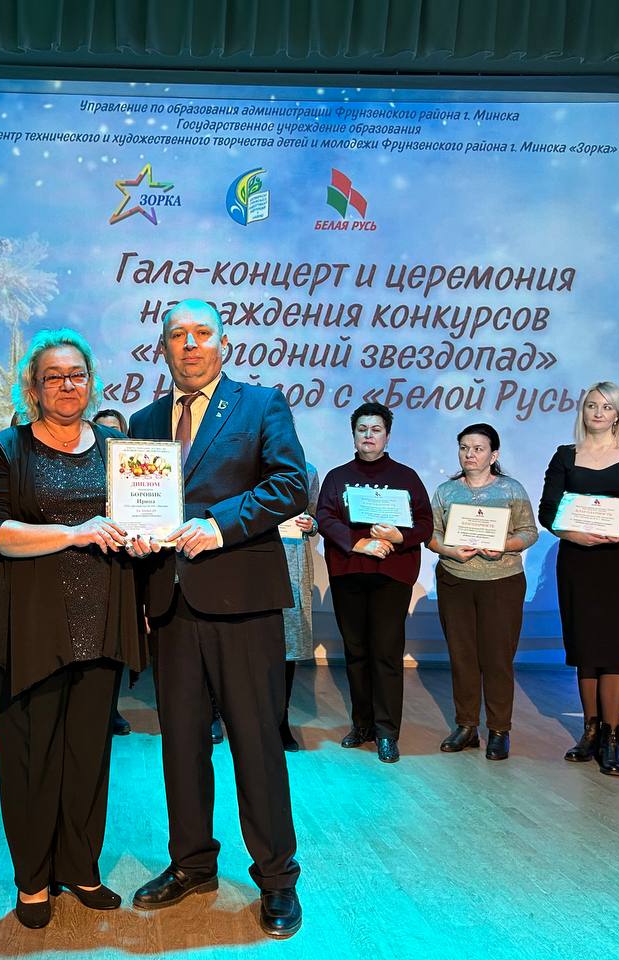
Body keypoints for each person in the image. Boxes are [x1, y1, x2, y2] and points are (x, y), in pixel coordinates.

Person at [128, 299, 307, 939]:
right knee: (180, 744)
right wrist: (136, 536)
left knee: (256, 743)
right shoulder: (145, 420)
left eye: (202, 333)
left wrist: (220, 525)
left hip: (242, 603)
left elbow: (290, 485)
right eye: (177, 335)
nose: (190, 344)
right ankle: (192, 863)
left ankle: (277, 878)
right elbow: (141, 502)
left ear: (223, 343)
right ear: (163, 348)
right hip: (170, 603)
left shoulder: (260, 405)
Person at [0, 329, 144, 929]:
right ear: (34, 388)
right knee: (31, 754)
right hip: (34, 623)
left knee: (88, 752)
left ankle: (80, 866)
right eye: (54, 377)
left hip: (103, 619)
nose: (68, 386)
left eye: (77, 374)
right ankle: (33, 878)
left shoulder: (118, 448)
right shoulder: (9, 448)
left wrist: (142, 536)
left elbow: (138, 517)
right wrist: (75, 533)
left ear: (91, 381)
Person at [538, 381, 619, 776]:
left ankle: (612, 740)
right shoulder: (565, 455)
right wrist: (571, 534)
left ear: (617, 414)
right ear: (583, 411)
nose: (598, 412)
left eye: (606, 407)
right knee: (587, 647)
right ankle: (589, 733)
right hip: (578, 561)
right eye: (591, 405)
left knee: (617, 649)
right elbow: (547, 511)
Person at [316, 402, 433, 764]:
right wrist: (360, 543)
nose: (368, 435)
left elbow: (425, 523)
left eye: (376, 429)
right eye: (362, 429)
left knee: (386, 654)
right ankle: (362, 724)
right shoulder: (337, 477)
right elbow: (325, 517)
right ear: (354, 435)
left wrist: (399, 536)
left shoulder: (407, 477)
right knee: (356, 653)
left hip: (391, 577)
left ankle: (386, 732)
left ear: (387, 436)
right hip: (349, 573)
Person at [427, 423, 539, 760]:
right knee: (462, 656)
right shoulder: (446, 491)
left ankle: (499, 729)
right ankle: (466, 726)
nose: (470, 454)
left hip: (502, 582)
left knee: (497, 658)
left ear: (494, 455)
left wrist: (504, 544)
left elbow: (529, 531)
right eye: (464, 448)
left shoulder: (511, 489)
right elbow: (430, 534)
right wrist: (448, 550)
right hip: (455, 580)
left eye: (478, 448)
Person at [93, 407, 138, 738]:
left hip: (123, 561)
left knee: (115, 640)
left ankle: (110, 708)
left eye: (115, 431)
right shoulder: (85, 465)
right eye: (102, 430)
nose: (109, 438)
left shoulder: (133, 470)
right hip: (89, 560)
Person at [278, 463, 320, 751]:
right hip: (252, 558)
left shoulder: (307, 470)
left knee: (287, 644)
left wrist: (311, 524)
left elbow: (315, 515)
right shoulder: (247, 463)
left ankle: (280, 719)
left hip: (293, 560)